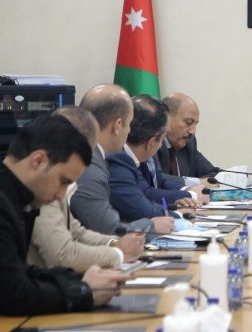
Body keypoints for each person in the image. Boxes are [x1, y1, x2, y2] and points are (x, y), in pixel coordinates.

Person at [0, 114, 130, 315]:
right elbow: (14, 295)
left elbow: (21, 272)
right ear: (38, 161)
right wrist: (84, 292)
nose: (61, 195)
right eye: (63, 181)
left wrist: (80, 281)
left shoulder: (19, 198)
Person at [29, 107, 144, 272]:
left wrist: (115, 243)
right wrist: (118, 254)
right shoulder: (42, 187)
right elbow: (62, 254)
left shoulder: (53, 179)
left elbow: (76, 233)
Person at [71, 85, 174, 235]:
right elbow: (108, 228)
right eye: (129, 123)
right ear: (118, 126)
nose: (130, 131)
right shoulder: (90, 164)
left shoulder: (92, 155)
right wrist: (151, 226)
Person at [108, 95, 200, 223]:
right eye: (162, 140)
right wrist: (178, 214)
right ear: (151, 143)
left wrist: (175, 203)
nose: (162, 145)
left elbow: (159, 182)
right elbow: (141, 205)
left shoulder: (135, 156)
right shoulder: (118, 160)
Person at [155, 92, 217, 186]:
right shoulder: (152, 141)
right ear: (166, 118)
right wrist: (197, 182)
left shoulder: (189, 144)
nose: (193, 131)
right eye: (188, 122)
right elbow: (155, 178)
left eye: (195, 124)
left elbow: (213, 174)